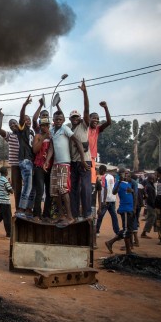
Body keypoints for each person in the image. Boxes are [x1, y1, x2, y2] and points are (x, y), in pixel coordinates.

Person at [44, 111, 88, 226]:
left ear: (63, 120)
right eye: (56, 119)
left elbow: (78, 142)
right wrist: (47, 161)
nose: (58, 121)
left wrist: (83, 159)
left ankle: (70, 216)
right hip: (55, 164)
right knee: (55, 191)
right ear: (53, 120)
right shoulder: (52, 131)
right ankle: (61, 215)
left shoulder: (65, 129)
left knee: (63, 189)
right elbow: (51, 148)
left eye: (60, 119)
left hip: (65, 163)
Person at [68, 79, 93, 219]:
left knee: (85, 188)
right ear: (70, 119)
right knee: (73, 190)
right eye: (73, 117)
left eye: (77, 116)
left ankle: (87, 213)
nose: (75, 118)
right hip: (74, 162)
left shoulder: (84, 125)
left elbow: (87, 110)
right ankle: (76, 214)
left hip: (85, 162)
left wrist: (85, 92)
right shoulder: (70, 130)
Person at [105, 168, 135, 255]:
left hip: (130, 208)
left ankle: (111, 243)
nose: (127, 174)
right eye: (125, 173)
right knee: (126, 230)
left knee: (128, 230)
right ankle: (126, 250)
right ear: (121, 174)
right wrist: (119, 182)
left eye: (128, 173)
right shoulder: (119, 183)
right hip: (125, 209)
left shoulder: (129, 183)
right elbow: (114, 192)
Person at [0, 108, 21, 209]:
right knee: (17, 188)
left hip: (26, 164)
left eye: (14, 123)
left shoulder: (25, 134)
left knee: (29, 187)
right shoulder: (10, 136)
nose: (12, 126)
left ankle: (27, 209)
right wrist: (1, 116)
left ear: (18, 123)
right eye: (10, 125)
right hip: (15, 165)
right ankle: (18, 209)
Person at [15, 95, 36, 217]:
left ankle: (28, 208)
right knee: (27, 186)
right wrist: (24, 105)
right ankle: (21, 209)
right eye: (26, 119)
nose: (27, 120)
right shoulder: (22, 129)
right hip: (25, 160)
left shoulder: (31, 132)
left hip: (31, 161)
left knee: (32, 187)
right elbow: (22, 118)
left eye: (29, 119)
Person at [88, 101, 112, 192]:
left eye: (97, 119)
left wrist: (106, 108)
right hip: (82, 157)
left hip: (92, 157)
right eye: (93, 118)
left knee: (91, 180)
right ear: (89, 119)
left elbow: (109, 122)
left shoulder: (97, 129)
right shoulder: (85, 128)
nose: (96, 120)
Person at [32, 117, 52, 219]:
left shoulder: (52, 136)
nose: (45, 127)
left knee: (49, 192)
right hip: (39, 166)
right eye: (43, 125)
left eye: (47, 125)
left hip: (50, 167)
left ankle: (47, 214)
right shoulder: (38, 136)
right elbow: (35, 150)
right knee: (40, 190)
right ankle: (37, 214)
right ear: (40, 126)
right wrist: (43, 138)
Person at [96, 165, 120, 235]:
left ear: (102, 170)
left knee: (100, 216)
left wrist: (104, 200)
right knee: (114, 216)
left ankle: (97, 231)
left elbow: (105, 188)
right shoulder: (111, 177)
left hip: (106, 200)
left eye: (99, 170)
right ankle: (117, 231)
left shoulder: (104, 177)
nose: (98, 172)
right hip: (112, 199)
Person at [0, 166, 13, 237]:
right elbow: (11, 191)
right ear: (6, 172)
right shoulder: (5, 180)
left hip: (0, 201)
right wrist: (11, 184)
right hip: (5, 202)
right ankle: (9, 233)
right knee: (7, 217)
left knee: (0, 216)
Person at [141, 174, 157, 239]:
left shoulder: (150, 185)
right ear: (151, 179)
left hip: (150, 204)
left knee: (153, 217)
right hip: (151, 205)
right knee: (152, 217)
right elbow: (151, 198)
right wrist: (154, 205)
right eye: (154, 179)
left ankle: (159, 232)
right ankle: (144, 232)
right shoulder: (149, 186)